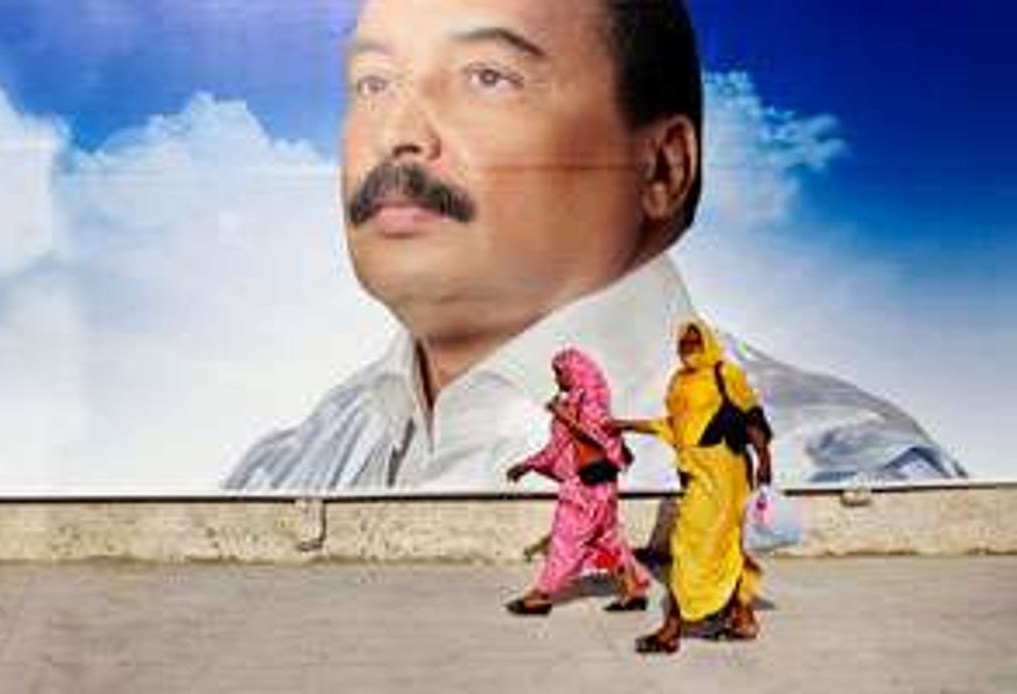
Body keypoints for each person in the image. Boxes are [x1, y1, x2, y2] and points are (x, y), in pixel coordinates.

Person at [224, 0, 963, 492]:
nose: (395, 135)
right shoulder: (283, 477)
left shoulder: (838, 477)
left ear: (663, 167)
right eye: (373, 82)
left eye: (487, 77)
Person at [611, 320, 769, 654]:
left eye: (696, 342)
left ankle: (672, 629)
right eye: (685, 343)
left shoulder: (725, 373)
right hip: (696, 472)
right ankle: (743, 618)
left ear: (707, 342)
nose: (690, 348)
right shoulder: (680, 381)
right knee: (726, 545)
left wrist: (765, 459)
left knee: (687, 544)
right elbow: (673, 426)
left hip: (726, 471)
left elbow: (752, 416)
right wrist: (625, 425)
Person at [504, 348, 650, 615]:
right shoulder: (574, 401)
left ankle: (542, 595)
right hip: (594, 484)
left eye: (559, 373)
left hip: (587, 486)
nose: (557, 380)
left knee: (565, 539)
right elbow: (559, 445)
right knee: (606, 540)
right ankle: (633, 589)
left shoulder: (590, 402)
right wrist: (528, 464)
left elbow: (596, 438)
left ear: (574, 371)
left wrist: (561, 414)